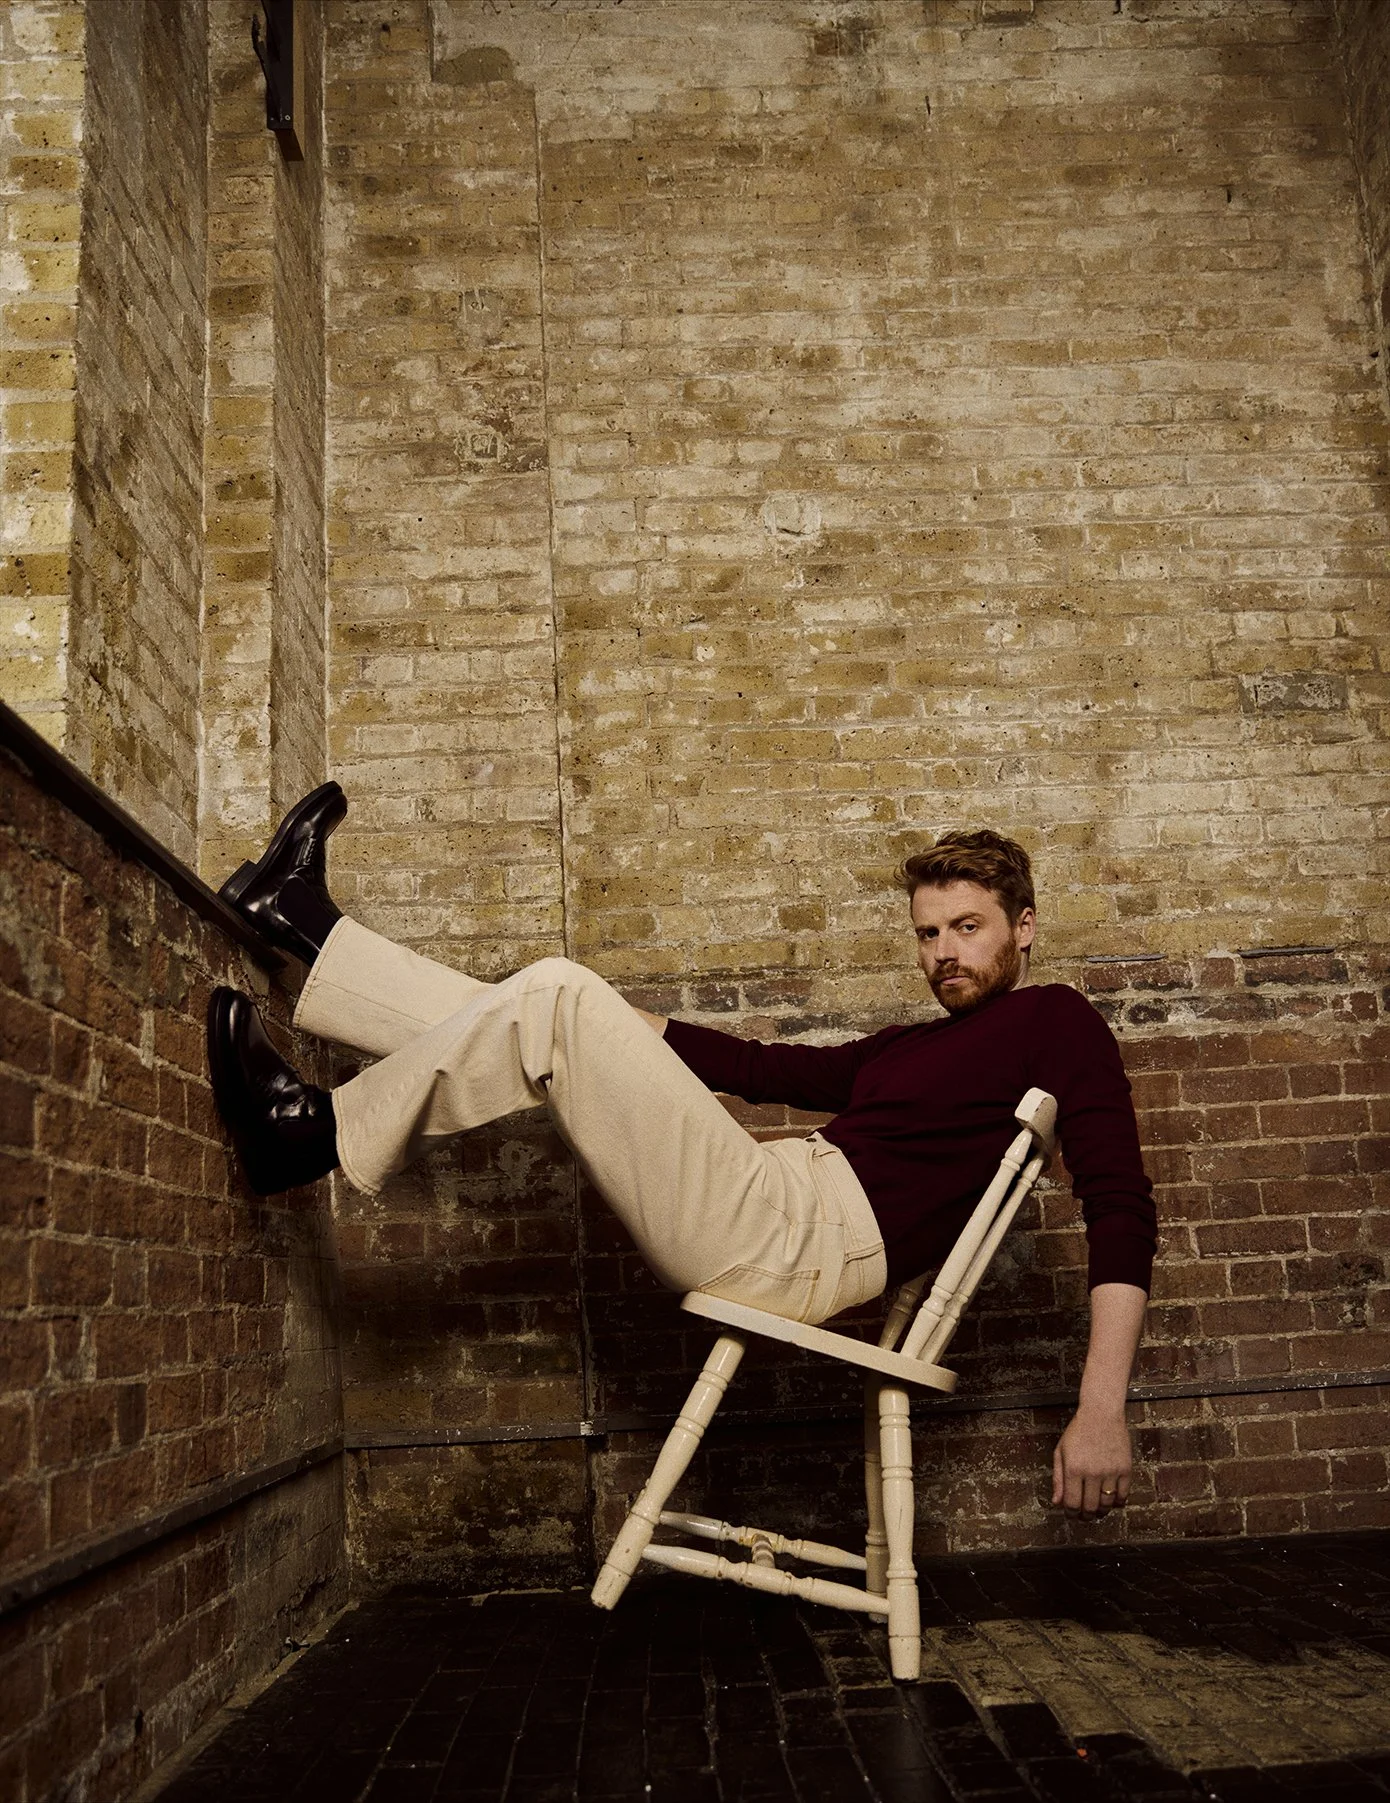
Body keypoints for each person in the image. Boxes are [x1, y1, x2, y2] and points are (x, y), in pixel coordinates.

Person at [208, 788, 1155, 1522]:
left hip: (795, 1239)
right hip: (772, 1196)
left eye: (967, 928)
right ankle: (305, 928)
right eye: (927, 933)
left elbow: (1121, 1205)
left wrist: (1100, 1405)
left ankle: (314, 1130)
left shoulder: (1055, 1018)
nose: (944, 952)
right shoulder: (916, 1044)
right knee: (556, 1006)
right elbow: (757, 1064)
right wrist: (623, 1026)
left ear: (1022, 927)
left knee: (559, 993)